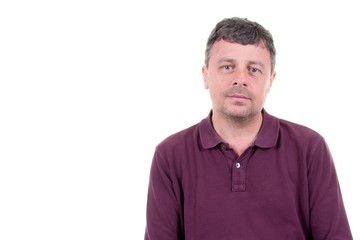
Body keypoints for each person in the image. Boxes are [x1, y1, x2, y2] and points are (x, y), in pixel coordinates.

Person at [144, 17, 352, 239]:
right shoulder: (170, 155)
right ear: (205, 76)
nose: (240, 79)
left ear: (270, 81)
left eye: (253, 69)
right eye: (227, 66)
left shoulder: (310, 149)